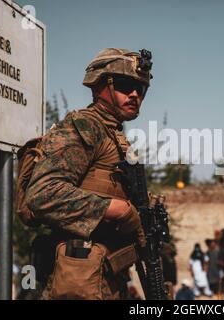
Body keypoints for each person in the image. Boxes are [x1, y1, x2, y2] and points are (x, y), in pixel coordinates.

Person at [24, 48, 153, 300]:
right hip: (76, 279)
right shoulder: (84, 127)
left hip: (103, 278)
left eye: (141, 89)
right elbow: (42, 194)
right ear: (99, 87)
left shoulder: (114, 136)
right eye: (126, 85)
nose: (135, 94)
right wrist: (118, 210)